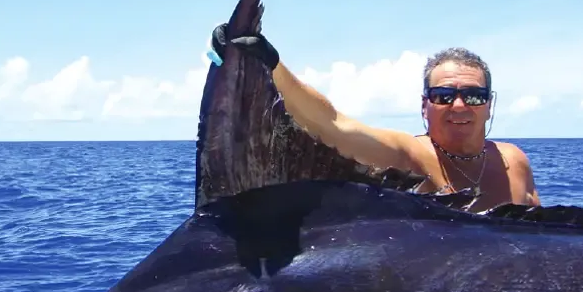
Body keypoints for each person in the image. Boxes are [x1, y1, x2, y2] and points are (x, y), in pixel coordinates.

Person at [211, 26, 540, 213]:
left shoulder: (515, 163)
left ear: (489, 104)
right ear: (425, 106)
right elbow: (332, 124)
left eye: (473, 96)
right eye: (442, 96)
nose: (458, 106)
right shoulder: (408, 156)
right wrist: (272, 65)